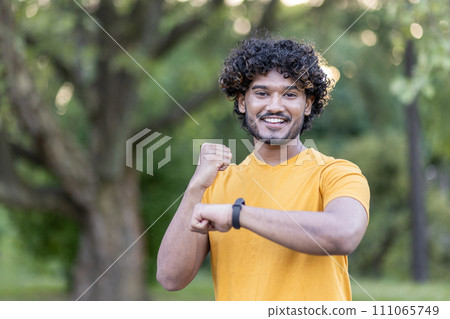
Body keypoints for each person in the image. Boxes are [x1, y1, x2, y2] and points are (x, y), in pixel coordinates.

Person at [157, 36, 370, 301]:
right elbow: (170, 277)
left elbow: (343, 234)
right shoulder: (217, 183)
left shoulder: (337, 174)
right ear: (242, 102)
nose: (275, 106)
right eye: (261, 93)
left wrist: (238, 215)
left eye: (290, 94)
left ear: (308, 104)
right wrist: (195, 189)